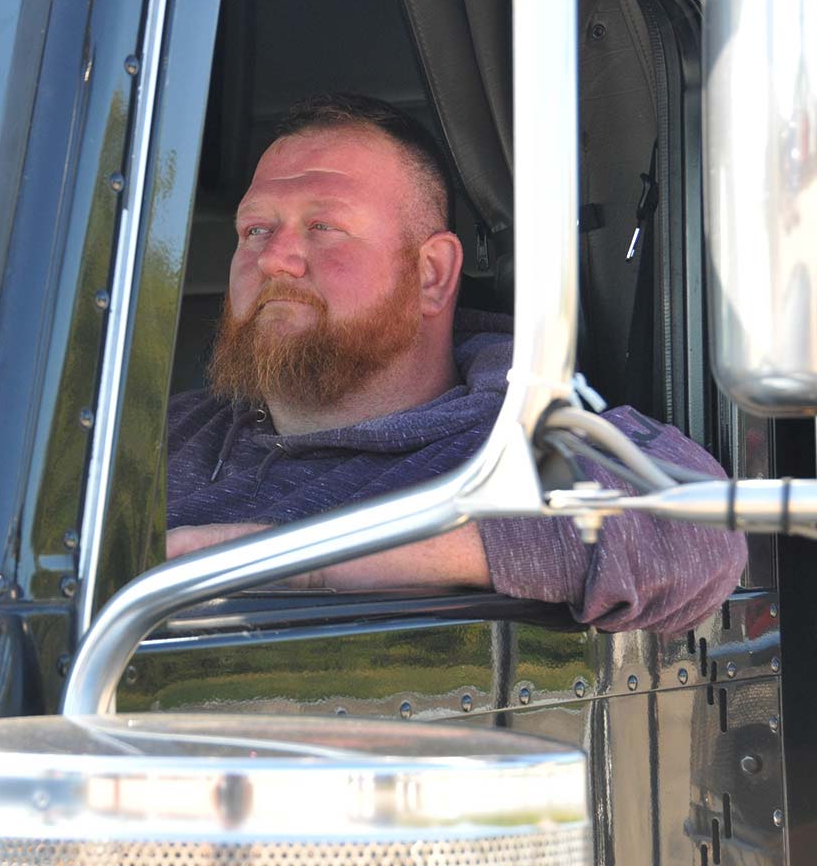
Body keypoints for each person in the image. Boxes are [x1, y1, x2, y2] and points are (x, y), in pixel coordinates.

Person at [167, 93, 746, 635]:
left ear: (432, 274)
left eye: (324, 227)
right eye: (255, 229)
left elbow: (696, 524)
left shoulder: (512, 441)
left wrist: (297, 560)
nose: (273, 259)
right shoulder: (158, 435)